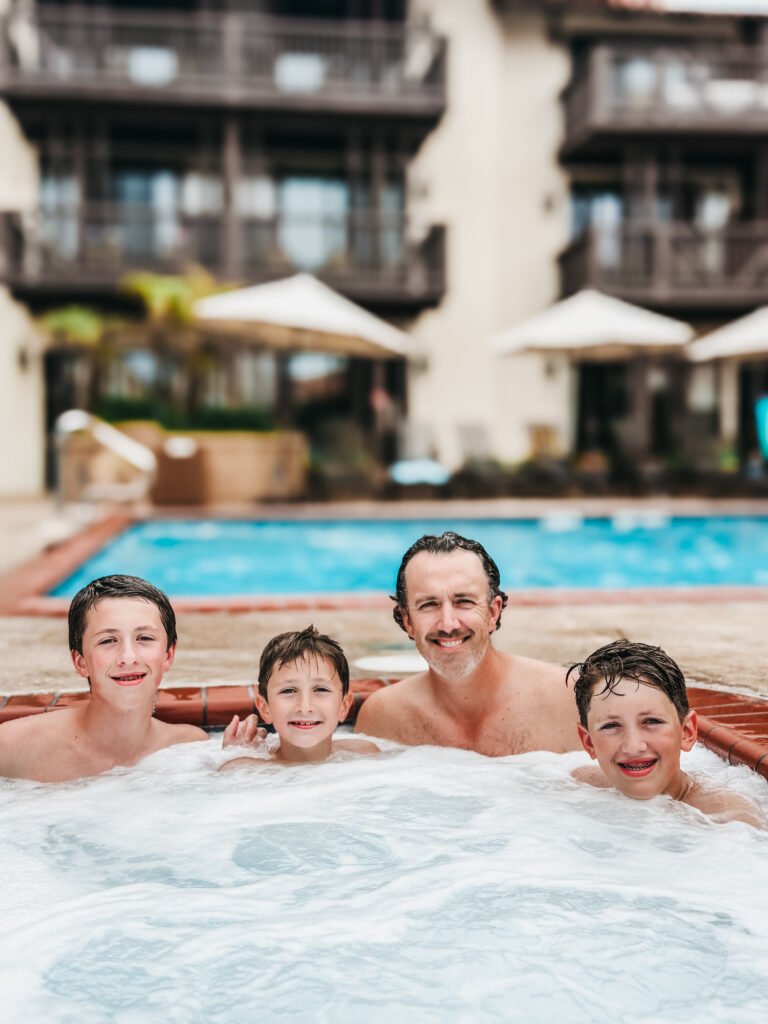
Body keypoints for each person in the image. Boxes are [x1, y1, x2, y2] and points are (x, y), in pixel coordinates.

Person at [354, 532, 580, 755]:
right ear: (408, 621)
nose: (448, 624)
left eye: (463, 601)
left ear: (493, 612)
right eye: (429, 604)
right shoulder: (382, 717)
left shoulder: (569, 700)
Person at [0, 575, 206, 782]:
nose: (128, 657)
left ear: (168, 656)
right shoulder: (12, 747)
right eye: (108, 640)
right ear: (80, 662)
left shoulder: (188, 747)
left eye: (144, 638)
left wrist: (235, 763)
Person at [569, 639, 764, 827]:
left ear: (687, 732)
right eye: (611, 726)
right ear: (589, 743)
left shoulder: (728, 818)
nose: (634, 746)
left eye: (651, 721)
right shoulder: (583, 785)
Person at [221, 626, 379, 769]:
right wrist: (233, 752)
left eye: (321, 689)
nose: (305, 706)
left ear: (343, 707)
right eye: (289, 691)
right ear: (265, 708)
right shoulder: (245, 770)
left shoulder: (366, 756)